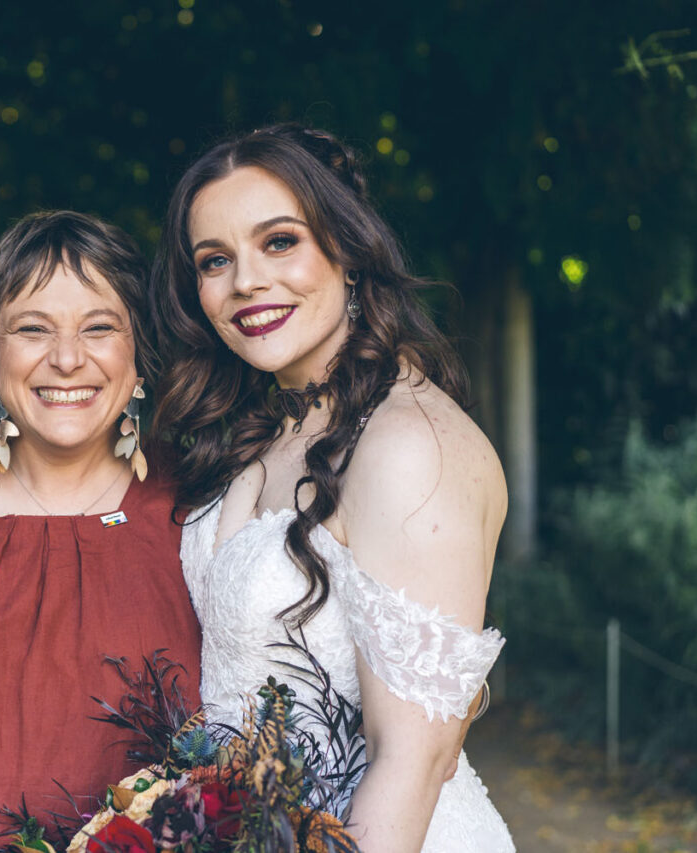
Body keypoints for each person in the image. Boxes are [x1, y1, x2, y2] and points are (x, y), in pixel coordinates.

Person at [151, 124, 514, 852]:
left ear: (347, 251)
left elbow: (414, 761)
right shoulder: (269, 425)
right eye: (215, 260)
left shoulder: (408, 444)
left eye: (279, 241)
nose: (245, 281)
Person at [0, 211, 202, 852]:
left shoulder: (200, 507)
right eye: (32, 328)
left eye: (99, 327)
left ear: (138, 351)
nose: (67, 359)